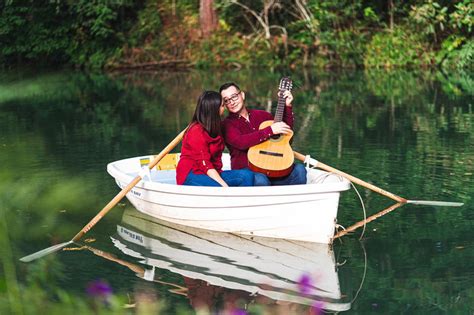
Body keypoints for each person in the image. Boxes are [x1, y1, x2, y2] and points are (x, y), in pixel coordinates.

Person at [219, 82, 307, 186]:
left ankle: (291, 200)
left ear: (242, 95)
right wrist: (270, 130)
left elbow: (285, 135)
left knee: (300, 170)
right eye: (226, 100)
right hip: (249, 172)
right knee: (261, 180)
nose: (232, 102)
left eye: (234, 97)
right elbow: (241, 142)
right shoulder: (226, 125)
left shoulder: (262, 115)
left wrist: (287, 106)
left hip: (275, 167)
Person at [176, 90, 255, 187]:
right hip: (192, 173)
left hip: (212, 171)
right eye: (222, 105)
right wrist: (224, 186)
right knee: (218, 188)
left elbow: (239, 140)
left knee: (247, 175)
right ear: (214, 109)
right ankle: (232, 200)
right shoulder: (196, 131)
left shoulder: (216, 127)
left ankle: (241, 201)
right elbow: (205, 164)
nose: (225, 107)